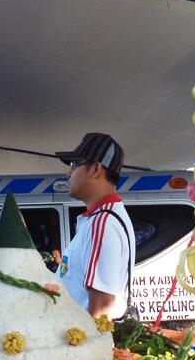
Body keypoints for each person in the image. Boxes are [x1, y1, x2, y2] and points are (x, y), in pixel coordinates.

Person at [55, 133, 135, 318]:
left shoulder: (102, 223)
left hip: (82, 340)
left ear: (96, 169)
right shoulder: (100, 218)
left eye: (75, 165)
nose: (69, 172)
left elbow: (101, 309)